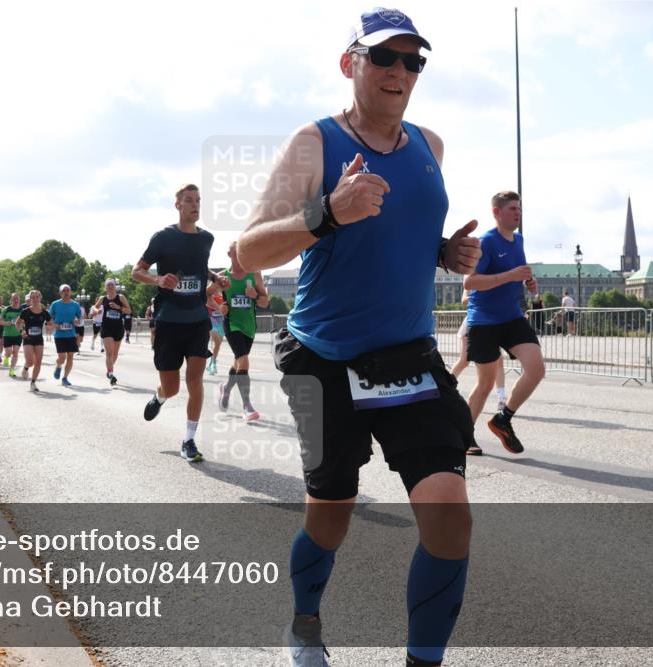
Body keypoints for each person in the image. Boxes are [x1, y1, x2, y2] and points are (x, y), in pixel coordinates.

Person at [234, 9, 482, 665]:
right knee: (332, 509)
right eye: (385, 57)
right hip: (324, 357)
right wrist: (326, 213)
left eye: (413, 60)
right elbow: (247, 251)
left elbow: (395, 232)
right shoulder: (314, 142)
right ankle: (304, 623)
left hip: (407, 356)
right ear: (351, 63)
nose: (400, 71)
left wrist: (442, 252)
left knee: (450, 516)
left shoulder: (430, 145)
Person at [133, 183, 220, 463]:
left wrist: (214, 278)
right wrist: (158, 280)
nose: (195, 205)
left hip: (197, 319)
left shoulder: (206, 238)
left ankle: (189, 440)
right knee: (172, 388)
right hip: (169, 320)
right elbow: (137, 271)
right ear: (178, 205)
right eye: (189, 200)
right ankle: (160, 397)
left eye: (198, 200)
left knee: (195, 380)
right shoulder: (163, 238)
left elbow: (199, 266)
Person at [464, 190, 546, 456]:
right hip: (484, 320)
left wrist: (529, 282)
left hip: (512, 317)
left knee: (536, 369)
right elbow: (469, 282)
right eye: (512, 208)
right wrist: (510, 275)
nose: (518, 213)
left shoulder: (518, 240)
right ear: (496, 212)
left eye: (519, 208)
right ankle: (464, 435)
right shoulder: (486, 242)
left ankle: (503, 419)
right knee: (485, 384)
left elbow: (517, 275)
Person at [217, 242, 269, 421]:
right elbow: (204, 295)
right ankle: (247, 407)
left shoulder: (255, 274)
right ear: (229, 254)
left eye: (242, 251)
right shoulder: (223, 277)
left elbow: (265, 302)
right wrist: (219, 307)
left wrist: (255, 295)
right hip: (232, 324)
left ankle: (226, 389)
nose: (240, 255)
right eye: (236, 252)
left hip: (249, 326)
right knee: (244, 360)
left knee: (239, 362)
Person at [450, 291, 508, 431]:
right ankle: (446, 386)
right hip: (475, 322)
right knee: (464, 361)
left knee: (499, 361)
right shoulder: (473, 280)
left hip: (494, 322)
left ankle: (502, 398)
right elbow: (464, 299)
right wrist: (485, 296)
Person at [93, 279, 131, 386]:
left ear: (115, 287)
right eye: (108, 285)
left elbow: (129, 310)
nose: (110, 287)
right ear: (105, 288)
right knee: (109, 353)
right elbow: (94, 307)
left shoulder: (121, 297)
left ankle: (109, 369)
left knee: (115, 354)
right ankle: (111, 374)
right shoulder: (103, 298)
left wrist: (118, 307)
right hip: (106, 328)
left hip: (118, 328)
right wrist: (97, 311)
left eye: (112, 285)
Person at [16, 289, 52, 392]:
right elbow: (17, 323)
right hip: (28, 338)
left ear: (40, 298)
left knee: (38, 362)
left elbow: (50, 323)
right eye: (33, 297)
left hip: (39, 339)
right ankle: (26, 368)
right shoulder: (25, 311)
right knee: (30, 362)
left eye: (37, 297)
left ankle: (33, 382)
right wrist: (21, 331)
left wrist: (49, 326)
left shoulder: (45, 312)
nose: (35, 299)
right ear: (30, 299)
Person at [49, 284, 82, 386]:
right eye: (64, 291)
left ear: (70, 292)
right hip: (59, 335)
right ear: (60, 293)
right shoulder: (55, 304)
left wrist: (77, 320)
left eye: (68, 290)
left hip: (71, 334)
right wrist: (55, 325)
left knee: (70, 356)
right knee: (62, 357)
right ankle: (58, 366)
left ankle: (65, 378)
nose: (66, 292)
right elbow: (49, 318)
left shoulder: (75, 305)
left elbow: (80, 317)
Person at [0, 293, 24, 377]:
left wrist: (23, 323)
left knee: (16, 353)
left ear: (19, 300)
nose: (16, 300)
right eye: (14, 299)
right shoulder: (6, 309)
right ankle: (6, 357)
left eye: (17, 299)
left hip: (18, 334)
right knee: (9, 352)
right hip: (8, 334)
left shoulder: (22, 310)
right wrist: (6, 323)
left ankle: (12, 369)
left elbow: (25, 320)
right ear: (11, 300)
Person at [206, 276, 225, 375]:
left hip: (221, 323)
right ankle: (213, 364)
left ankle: (212, 363)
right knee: (216, 342)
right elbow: (205, 304)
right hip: (212, 322)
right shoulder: (209, 295)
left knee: (217, 346)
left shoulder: (223, 296)